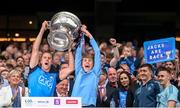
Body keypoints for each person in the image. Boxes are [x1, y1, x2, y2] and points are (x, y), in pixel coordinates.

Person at [28, 21, 74, 96]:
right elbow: (35, 49)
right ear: (41, 61)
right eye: (45, 58)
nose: (47, 59)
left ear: (51, 61)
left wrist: (70, 50)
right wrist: (42, 30)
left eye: (49, 58)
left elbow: (71, 68)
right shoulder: (34, 69)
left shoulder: (55, 76)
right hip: (32, 104)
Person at [71, 25, 101, 107]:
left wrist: (88, 34)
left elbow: (97, 52)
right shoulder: (78, 71)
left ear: (93, 64)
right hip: (74, 105)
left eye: (90, 60)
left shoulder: (95, 73)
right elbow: (78, 52)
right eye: (85, 60)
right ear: (81, 63)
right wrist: (82, 34)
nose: (87, 62)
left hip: (89, 105)